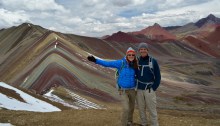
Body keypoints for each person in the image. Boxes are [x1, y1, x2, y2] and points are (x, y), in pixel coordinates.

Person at [87, 47, 138, 126]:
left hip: (132, 90)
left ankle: (129, 122)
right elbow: (108, 64)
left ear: (134, 56)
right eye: (129, 54)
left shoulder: (135, 64)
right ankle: (123, 124)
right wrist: (95, 60)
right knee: (126, 108)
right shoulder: (121, 63)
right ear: (126, 55)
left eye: (133, 55)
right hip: (123, 90)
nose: (131, 56)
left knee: (131, 107)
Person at [136, 42, 161, 126]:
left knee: (152, 109)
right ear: (139, 50)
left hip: (149, 89)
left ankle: (154, 124)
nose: (143, 51)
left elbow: (158, 76)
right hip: (139, 89)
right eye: (141, 49)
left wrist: (153, 88)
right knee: (141, 109)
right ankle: (144, 123)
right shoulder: (137, 61)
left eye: (144, 49)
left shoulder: (153, 61)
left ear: (147, 50)